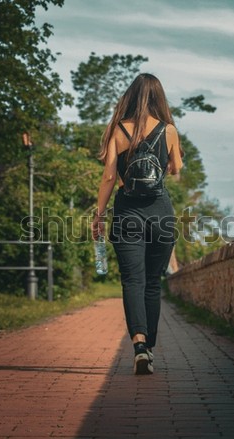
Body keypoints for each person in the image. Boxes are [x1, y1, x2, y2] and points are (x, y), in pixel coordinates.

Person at [91, 73, 183, 375]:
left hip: (127, 212)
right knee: (152, 284)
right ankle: (150, 351)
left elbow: (108, 177)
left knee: (132, 281)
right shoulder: (169, 130)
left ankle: (139, 345)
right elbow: (175, 169)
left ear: (130, 97)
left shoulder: (117, 129)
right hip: (160, 214)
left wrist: (99, 215)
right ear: (159, 97)